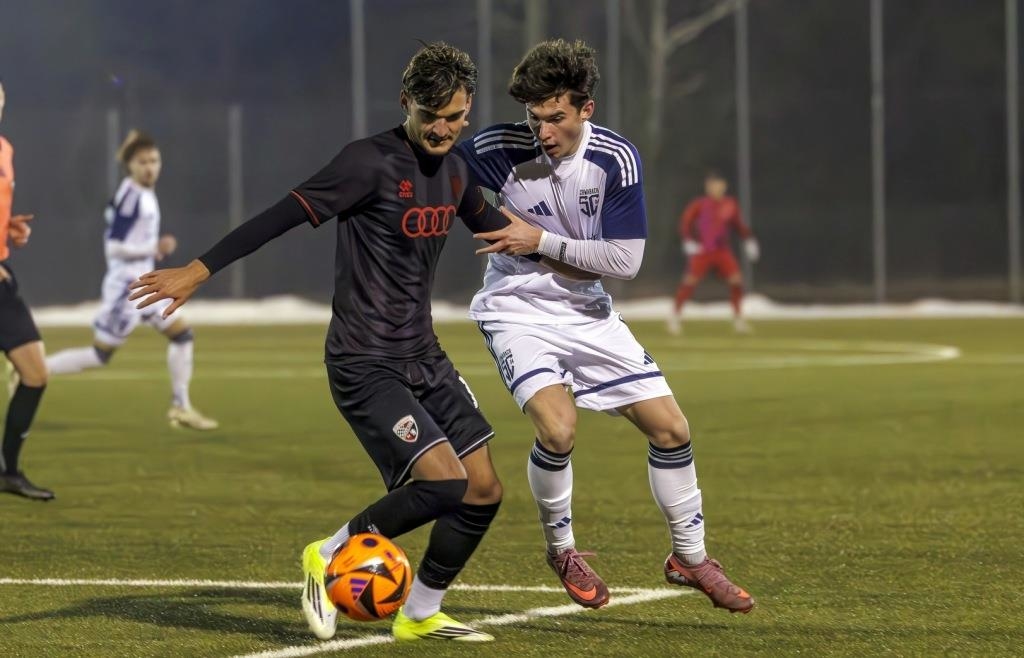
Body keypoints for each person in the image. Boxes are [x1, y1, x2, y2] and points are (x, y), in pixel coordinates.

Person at [128, 42, 581, 642]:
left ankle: (419, 614)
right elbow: (278, 216)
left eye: (455, 116)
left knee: (483, 490)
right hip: (364, 361)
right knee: (443, 483)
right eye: (431, 116)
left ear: (469, 109)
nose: (444, 128)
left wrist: (577, 251)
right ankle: (328, 552)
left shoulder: (456, 168)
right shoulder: (366, 163)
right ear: (406, 105)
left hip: (423, 354)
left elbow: (504, 230)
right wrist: (198, 270)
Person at [456, 39, 755, 613]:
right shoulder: (496, 147)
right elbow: (429, 172)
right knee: (559, 429)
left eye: (556, 118)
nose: (542, 131)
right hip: (515, 305)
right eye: (534, 118)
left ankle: (689, 559)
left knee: (671, 430)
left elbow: (624, 262)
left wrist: (535, 240)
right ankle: (562, 549)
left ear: (585, 108)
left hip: (586, 308)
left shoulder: (615, 159)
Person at [45, 130, 218, 430]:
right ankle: (34, 371)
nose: (150, 167)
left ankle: (180, 407)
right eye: (143, 162)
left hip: (144, 284)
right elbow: (112, 246)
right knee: (100, 355)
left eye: (154, 160)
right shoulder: (132, 197)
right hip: (127, 289)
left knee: (183, 335)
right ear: (131, 167)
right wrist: (153, 248)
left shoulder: (141, 193)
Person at [0, 78, 54, 501]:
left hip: (3, 276)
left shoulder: (5, 149)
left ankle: (9, 471)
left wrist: (8, 227)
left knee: (35, 374)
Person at [668, 170, 760, 335]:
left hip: (722, 251)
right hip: (703, 251)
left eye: (718, 184)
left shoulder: (730, 204)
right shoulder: (699, 204)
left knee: (736, 281)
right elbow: (685, 223)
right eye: (711, 185)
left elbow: (738, 225)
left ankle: (738, 319)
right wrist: (688, 241)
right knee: (689, 282)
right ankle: (675, 317)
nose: (715, 188)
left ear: (724, 186)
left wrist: (748, 240)